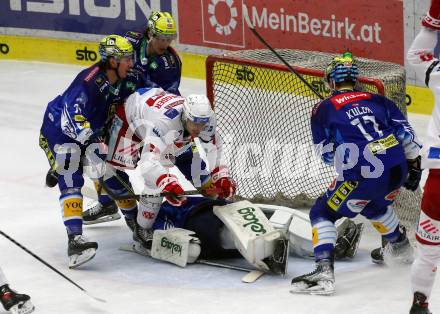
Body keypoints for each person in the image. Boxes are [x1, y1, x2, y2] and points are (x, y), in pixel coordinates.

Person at [289, 52, 422, 295]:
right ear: (355, 79)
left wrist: (340, 141)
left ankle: (323, 272)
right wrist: (415, 168)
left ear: (331, 80)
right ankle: (401, 248)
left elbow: (327, 155)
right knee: (372, 205)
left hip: (363, 170)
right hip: (396, 167)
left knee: (322, 211)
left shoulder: (323, 108)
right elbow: (407, 136)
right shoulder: (377, 99)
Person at [99, 87, 236, 251]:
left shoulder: (205, 119)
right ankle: (140, 226)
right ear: (185, 117)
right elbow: (149, 163)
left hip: (162, 117)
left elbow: (214, 148)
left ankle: (217, 202)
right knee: (111, 170)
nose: (199, 129)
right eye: (195, 123)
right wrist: (167, 183)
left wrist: (221, 175)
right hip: (132, 120)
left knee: (188, 161)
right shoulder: (165, 123)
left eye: (203, 123)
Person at [39, 34, 134, 268]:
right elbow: (70, 117)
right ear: (112, 61)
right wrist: (91, 143)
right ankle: (75, 240)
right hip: (58, 131)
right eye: (126, 59)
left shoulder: (121, 78)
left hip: (89, 130)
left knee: (110, 173)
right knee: (71, 176)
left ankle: (136, 225)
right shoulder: (89, 81)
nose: (131, 63)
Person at [82, 11, 182, 224]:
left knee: (116, 162)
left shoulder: (171, 63)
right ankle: (108, 202)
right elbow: (109, 64)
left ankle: (132, 212)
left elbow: (167, 98)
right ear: (150, 34)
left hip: (141, 118)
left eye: (169, 39)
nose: (165, 44)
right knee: (95, 153)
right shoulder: (130, 43)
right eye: (162, 38)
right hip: (115, 105)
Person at [407, 1, 440, 312]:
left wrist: (432, 22)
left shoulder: (439, 73)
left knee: (429, 248)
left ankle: (420, 302)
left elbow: (415, 56)